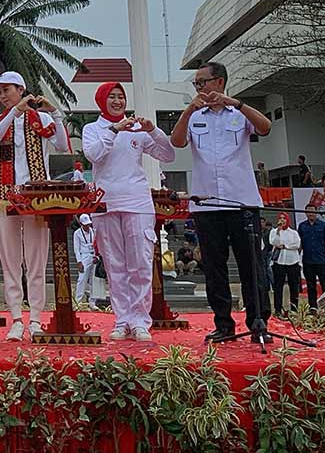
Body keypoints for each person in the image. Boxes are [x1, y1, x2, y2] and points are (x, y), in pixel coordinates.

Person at [171, 61, 272, 343]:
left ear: (219, 82)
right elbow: (177, 142)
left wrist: (236, 103)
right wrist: (189, 108)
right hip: (206, 204)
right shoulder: (195, 115)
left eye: (202, 82)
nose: (199, 88)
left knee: (251, 266)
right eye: (196, 84)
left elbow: (265, 128)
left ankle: (258, 323)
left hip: (242, 202)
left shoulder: (238, 114)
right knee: (214, 269)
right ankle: (224, 325)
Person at [82, 81, 176, 341]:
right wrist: (114, 129)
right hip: (106, 202)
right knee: (115, 266)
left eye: (120, 97)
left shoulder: (137, 129)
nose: (117, 101)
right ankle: (122, 320)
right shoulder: (93, 129)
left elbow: (169, 155)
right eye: (111, 97)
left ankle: (140, 321)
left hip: (137, 202)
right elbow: (94, 155)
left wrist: (153, 130)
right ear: (102, 100)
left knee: (140, 264)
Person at [0, 71, 70, 342]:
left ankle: (35, 318)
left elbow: (62, 145)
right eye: (0, 92)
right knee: (10, 260)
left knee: (36, 259)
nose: (3, 96)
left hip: (36, 196)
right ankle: (16, 318)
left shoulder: (41, 120)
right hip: (4, 194)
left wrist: (54, 113)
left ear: (21, 89)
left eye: (7, 90)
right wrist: (14, 112)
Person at [268, 212, 301, 317]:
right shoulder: (274, 231)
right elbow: (273, 242)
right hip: (279, 262)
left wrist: (285, 246)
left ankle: (294, 309)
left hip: (293, 262)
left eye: (284, 218)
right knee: (278, 287)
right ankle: (278, 309)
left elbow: (297, 244)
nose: (282, 220)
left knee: (293, 286)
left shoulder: (293, 232)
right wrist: (278, 231)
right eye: (280, 218)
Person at [298, 203, 325, 311]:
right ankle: (313, 308)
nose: (311, 213)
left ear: (316, 212)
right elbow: (300, 242)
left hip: (321, 260)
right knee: (311, 287)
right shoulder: (302, 226)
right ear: (306, 213)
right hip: (308, 261)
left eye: (313, 211)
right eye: (308, 211)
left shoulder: (323, 225)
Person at [72, 214, 96, 306]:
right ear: (81, 224)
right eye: (85, 225)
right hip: (84, 256)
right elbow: (76, 248)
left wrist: (97, 256)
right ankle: (78, 301)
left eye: (88, 224)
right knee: (82, 279)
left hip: (93, 255)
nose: (87, 226)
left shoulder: (93, 231)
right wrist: (79, 261)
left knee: (93, 280)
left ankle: (92, 302)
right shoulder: (77, 233)